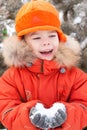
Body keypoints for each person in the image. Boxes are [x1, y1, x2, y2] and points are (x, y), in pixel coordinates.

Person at [0, 0, 87, 130]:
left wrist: (67, 114)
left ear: (59, 37)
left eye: (52, 35)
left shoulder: (75, 76)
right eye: (37, 38)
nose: (46, 42)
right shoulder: (11, 77)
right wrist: (28, 116)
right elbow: (6, 109)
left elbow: (84, 105)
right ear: (23, 42)